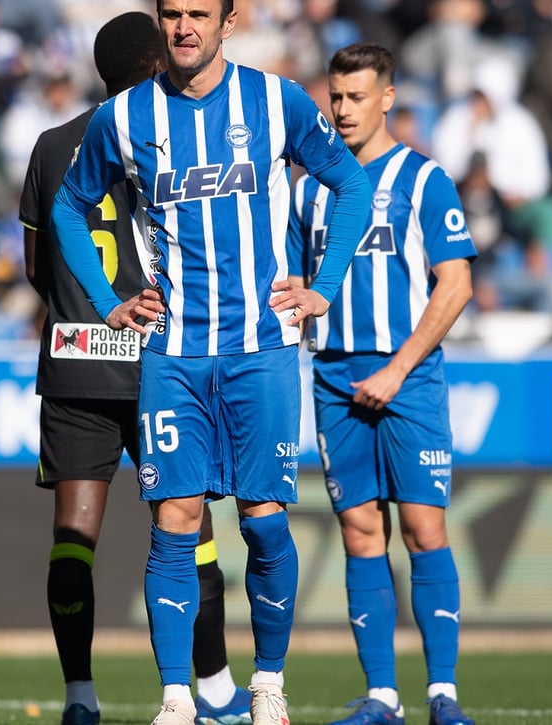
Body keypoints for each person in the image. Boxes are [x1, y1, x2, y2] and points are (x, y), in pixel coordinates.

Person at [50, 2, 373, 725]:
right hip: (173, 355)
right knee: (176, 516)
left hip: (260, 350)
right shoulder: (127, 117)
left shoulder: (275, 99)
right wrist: (107, 301)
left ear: (231, 21)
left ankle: (267, 686)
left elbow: (351, 184)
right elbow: (71, 209)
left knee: (263, 521)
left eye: (200, 13)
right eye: (172, 13)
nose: (184, 26)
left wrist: (323, 286)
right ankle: (175, 698)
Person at [20, 12, 255, 725]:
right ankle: (209, 689)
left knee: (73, 531)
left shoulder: (53, 145)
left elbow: (40, 266)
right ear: (157, 61)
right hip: (161, 357)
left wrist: (86, 311)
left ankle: (79, 697)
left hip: (78, 357)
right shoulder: (166, 131)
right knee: (190, 528)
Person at [287, 42, 476, 725]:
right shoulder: (308, 189)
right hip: (334, 376)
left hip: (409, 375)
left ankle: (444, 694)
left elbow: (455, 285)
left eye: (357, 97)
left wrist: (397, 368)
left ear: (388, 98)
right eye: (335, 97)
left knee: (425, 528)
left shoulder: (425, 181)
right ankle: (382, 696)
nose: (342, 110)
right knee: (361, 530)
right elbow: (295, 286)